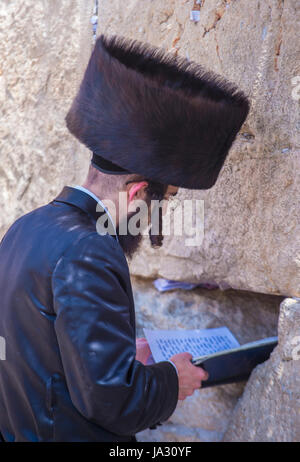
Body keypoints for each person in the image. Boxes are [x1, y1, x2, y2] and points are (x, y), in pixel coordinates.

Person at [0, 33, 249, 442]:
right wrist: (173, 380)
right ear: (136, 193)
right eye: (163, 200)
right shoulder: (90, 250)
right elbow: (110, 400)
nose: (160, 215)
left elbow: (40, 357)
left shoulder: (25, 227)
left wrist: (121, 359)